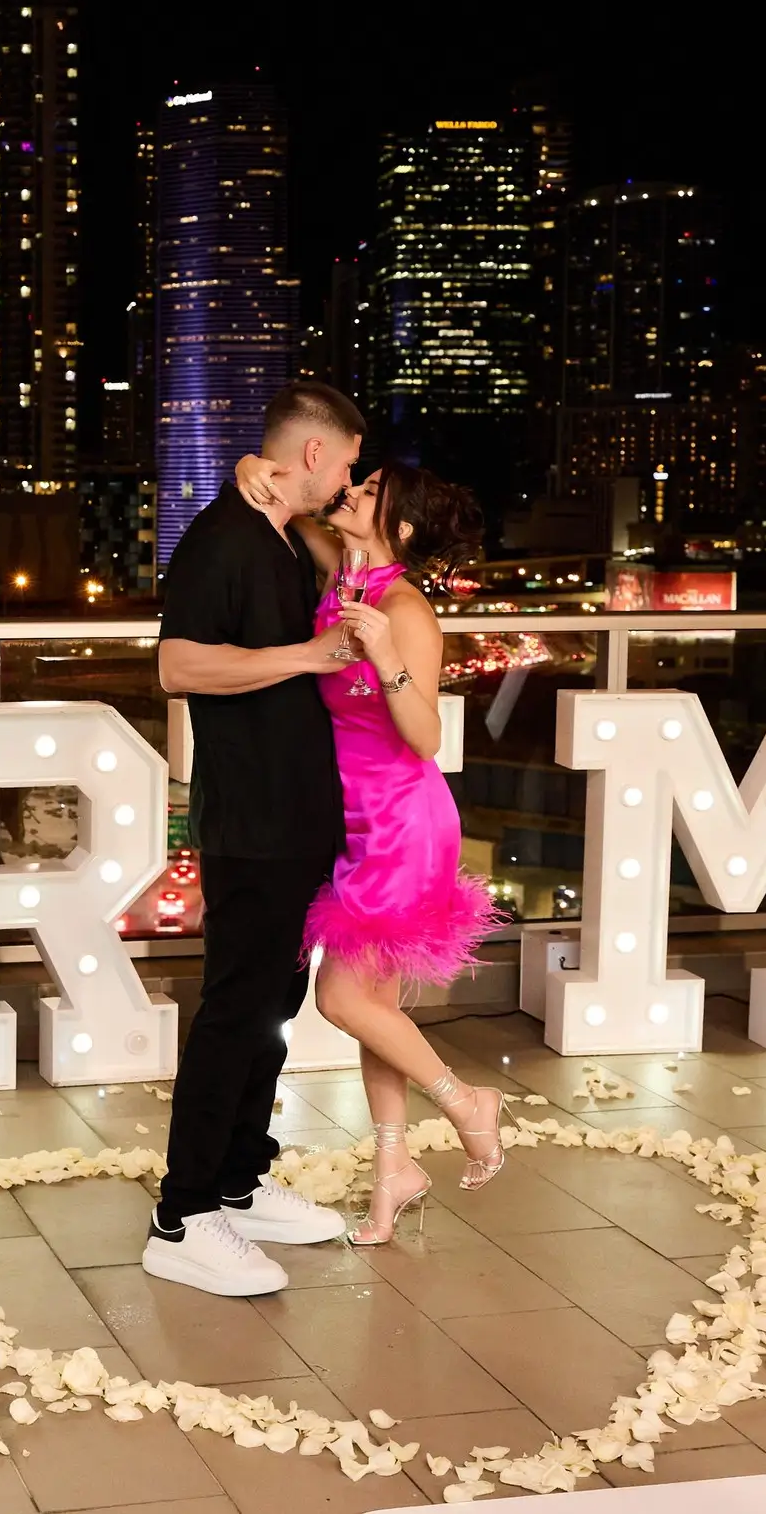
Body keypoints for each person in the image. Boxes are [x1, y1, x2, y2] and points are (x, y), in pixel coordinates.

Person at [234, 453, 504, 1246]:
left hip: (400, 820)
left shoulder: (408, 610)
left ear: (405, 525)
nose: (353, 492)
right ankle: (394, 1172)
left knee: (342, 1000)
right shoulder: (341, 577)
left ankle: (465, 1100)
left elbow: (425, 736)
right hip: (350, 821)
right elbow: (299, 505)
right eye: (358, 481)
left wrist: (386, 657)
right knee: (376, 1007)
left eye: (373, 491)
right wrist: (253, 463)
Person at [144, 381, 364, 1298]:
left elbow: (334, 537)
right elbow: (176, 663)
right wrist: (307, 658)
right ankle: (182, 1214)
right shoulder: (221, 538)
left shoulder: (277, 536)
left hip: (297, 819)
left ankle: (238, 1179)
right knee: (237, 1011)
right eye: (346, 463)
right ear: (313, 453)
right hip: (253, 823)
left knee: (273, 1008)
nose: (349, 480)